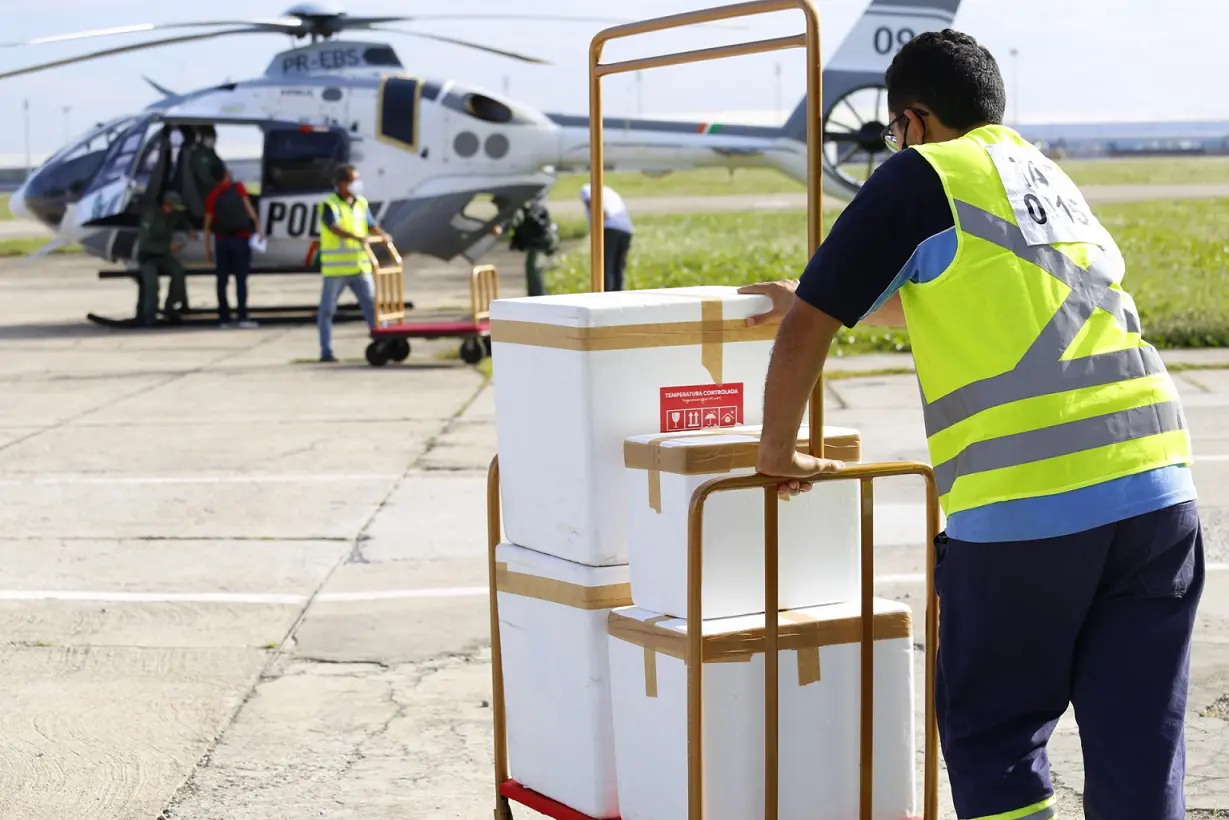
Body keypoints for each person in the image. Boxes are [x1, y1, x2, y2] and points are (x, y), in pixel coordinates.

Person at [742, 30, 1202, 820]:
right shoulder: (1039, 174)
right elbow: (963, 294)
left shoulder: (920, 174)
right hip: (1157, 493)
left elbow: (807, 327)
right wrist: (826, 299)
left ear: (912, 121)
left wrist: (777, 450)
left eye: (893, 131)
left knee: (994, 737)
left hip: (1029, 506)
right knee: (1138, 743)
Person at [316, 163, 391, 363]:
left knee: (372, 307)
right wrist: (357, 237)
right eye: (353, 180)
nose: (358, 184)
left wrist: (383, 236)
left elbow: (371, 224)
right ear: (342, 183)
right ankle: (326, 352)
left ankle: (385, 341)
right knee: (327, 311)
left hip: (359, 266)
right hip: (336, 270)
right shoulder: (330, 204)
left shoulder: (361, 203)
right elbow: (333, 226)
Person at [204, 169, 264, 328]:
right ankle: (242, 316)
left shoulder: (212, 196)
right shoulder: (238, 188)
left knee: (222, 281)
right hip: (240, 240)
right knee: (241, 280)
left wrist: (207, 250)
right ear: (226, 175)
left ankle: (224, 318)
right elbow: (249, 209)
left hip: (221, 241)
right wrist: (258, 227)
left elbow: (207, 225)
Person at [134, 191, 194, 325]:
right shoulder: (151, 216)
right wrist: (167, 247)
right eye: (172, 208)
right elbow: (145, 244)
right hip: (148, 257)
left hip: (163, 256)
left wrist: (189, 229)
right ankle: (149, 315)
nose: (174, 211)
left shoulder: (173, 215)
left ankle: (170, 308)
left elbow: (182, 219)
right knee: (152, 282)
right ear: (166, 205)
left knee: (179, 272)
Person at [579, 182, 632, 291]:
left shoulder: (586, 189)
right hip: (626, 229)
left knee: (604, 266)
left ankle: (606, 294)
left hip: (609, 228)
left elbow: (601, 211)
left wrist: (594, 228)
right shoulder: (609, 190)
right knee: (618, 267)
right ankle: (619, 294)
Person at [507, 195, 560, 296]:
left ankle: (538, 295)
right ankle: (536, 294)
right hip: (540, 241)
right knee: (533, 267)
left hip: (541, 242)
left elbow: (515, 220)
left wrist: (502, 226)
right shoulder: (528, 205)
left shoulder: (522, 209)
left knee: (534, 267)